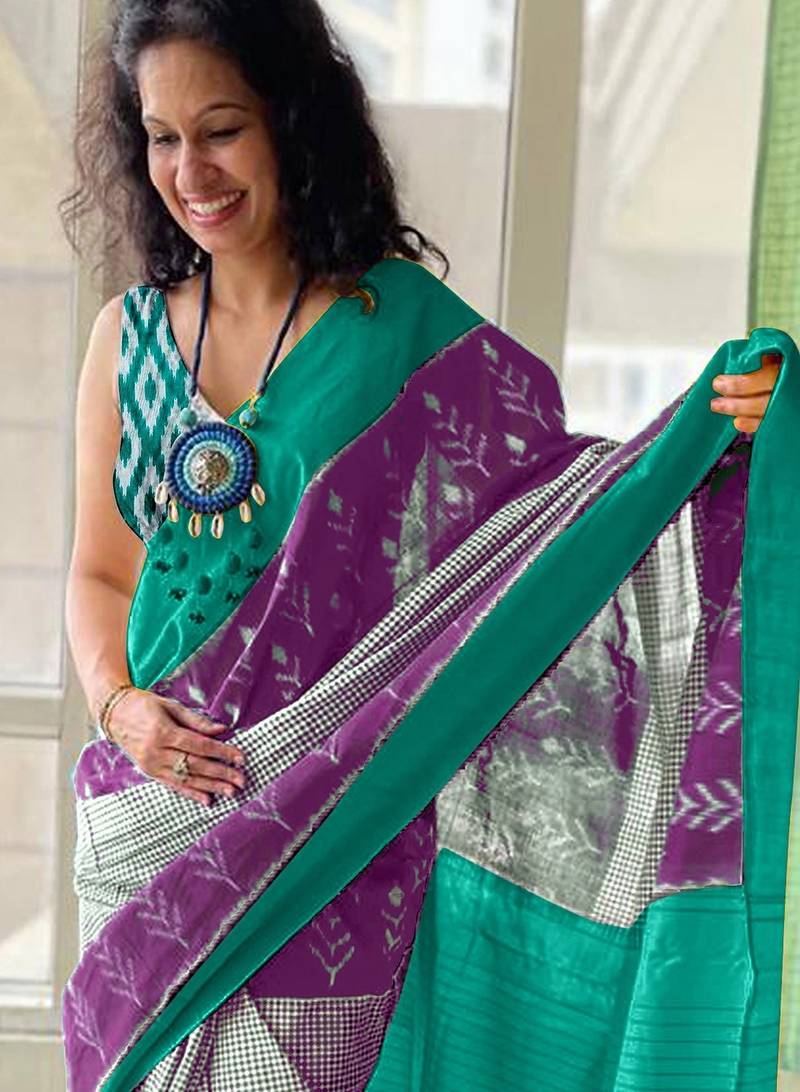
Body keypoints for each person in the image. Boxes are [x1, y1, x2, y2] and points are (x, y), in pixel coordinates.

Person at [58, 2, 799, 1090]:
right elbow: (100, 568)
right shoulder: (125, 338)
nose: (190, 171)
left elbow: (546, 525)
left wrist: (710, 441)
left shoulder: (396, 326)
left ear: (291, 123)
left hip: (337, 837)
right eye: (162, 137)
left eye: (221, 129)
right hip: (148, 819)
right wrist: (120, 708)